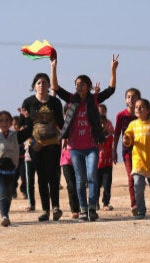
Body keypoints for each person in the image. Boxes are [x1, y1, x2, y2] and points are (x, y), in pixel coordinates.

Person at [51, 53, 119, 221]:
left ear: (88, 86)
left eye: (82, 84)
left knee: (92, 177)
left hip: (91, 147)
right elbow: (56, 88)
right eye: (76, 84)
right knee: (80, 180)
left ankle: (92, 208)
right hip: (75, 148)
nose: (78, 86)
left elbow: (111, 90)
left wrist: (112, 69)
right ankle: (83, 210)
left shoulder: (94, 99)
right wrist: (53, 67)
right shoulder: (72, 99)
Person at [20, 73, 65, 222]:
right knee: (41, 178)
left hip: (53, 144)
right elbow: (23, 127)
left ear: (48, 86)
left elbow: (61, 124)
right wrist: (32, 143)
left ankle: (56, 208)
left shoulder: (55, 102)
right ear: (34, 86)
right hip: (35, 146)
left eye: (44, 82)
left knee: (53, 176)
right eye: (38, 83)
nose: (41, 85)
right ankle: (45, 210)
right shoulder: (28, 102)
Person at [122, 99, 150, 219]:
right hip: (138, 162)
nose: (138, 109)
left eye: (141, 107)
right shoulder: (133, 124)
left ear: (148, 110)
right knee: (138, 186)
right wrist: (126, 140)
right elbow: (127, 138)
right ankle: (141, 211)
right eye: (136, 107)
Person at [113, 88, 141, 215]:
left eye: (134, 97)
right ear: (125, 100)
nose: (131, 99)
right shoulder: (121, 116)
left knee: (140, 179)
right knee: (131, 177)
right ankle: (134, 204)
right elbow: (117, 134)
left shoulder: (142, 115)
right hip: (127, 152)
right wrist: (114, 150)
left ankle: (140, 203)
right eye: (128, 97)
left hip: (141, 152)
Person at [96, 114, 114, 211]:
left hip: (107, 164)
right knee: (96, 185)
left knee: (107, 184)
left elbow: (111, 139)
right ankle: (95, 203)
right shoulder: (93, 136)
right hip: (97, 165)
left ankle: (106, 203)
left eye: (103, 123)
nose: (102, 126)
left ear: (107, 124)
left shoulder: (109, 135)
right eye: (99, 124)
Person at [60, 143, 80, 218]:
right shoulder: (63, 131)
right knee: (71, 185)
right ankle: (75, 210)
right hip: (66, 160)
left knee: (79, 184)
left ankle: (82, 206)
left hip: (79, 157)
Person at [11, 116, 27, 200]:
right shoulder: (11, 135)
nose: (15, 126)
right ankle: (13, 191)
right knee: (13, 177)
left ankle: (24, 192)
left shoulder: (24, 134)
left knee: (24, 177)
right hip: (15, 160)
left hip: (24, 159)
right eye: (13, 125)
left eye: (16, 124)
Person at [23, 139, 37, 211]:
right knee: (29, 183)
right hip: (28, 160)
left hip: (40, 158)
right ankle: (31, 204)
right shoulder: (26, 132)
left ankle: (46, 206)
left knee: (43, 182)